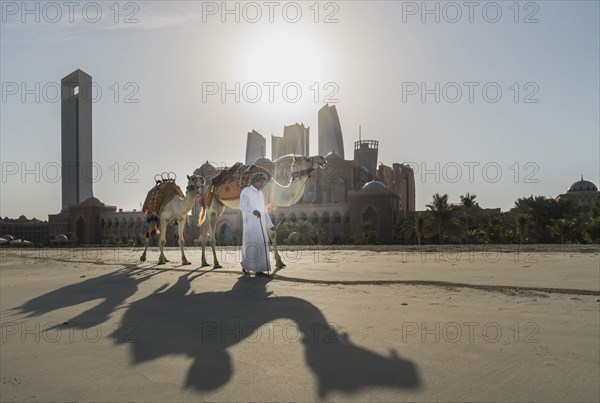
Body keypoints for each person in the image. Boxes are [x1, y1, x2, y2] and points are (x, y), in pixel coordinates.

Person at [239, 172, 274, 276]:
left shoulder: (260, 193)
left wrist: (270, 225)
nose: (263, 184)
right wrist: (253, 211)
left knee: (261, 245)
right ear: (255, 181)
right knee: (251, 246)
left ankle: (259, 269)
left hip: (261, 225)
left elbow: (264, 210)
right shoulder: (246, 191)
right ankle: (246, 266)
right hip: (250, 224)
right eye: (261, 181)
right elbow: (242, 206)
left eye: (264, 182)